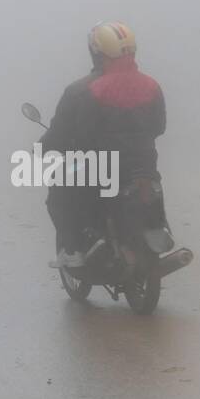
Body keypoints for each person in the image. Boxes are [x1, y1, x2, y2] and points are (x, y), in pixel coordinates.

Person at [71, 21, 166, 251]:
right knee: (152, 191)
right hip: (145, 165)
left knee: (77, 192)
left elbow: (84, 135)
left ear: (98, 53)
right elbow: (159, 127)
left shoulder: (95, 90)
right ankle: (160, 230)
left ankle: (90, 241)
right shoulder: (152, 85)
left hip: (107, 168)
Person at [42, 34, 104, 269]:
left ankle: (73, 250)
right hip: (140, 163)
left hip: (92, 164)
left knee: (59, 198)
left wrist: (43, 148)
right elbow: (158, 126)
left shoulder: (79, 90)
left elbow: (59, 132)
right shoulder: (146, 84)